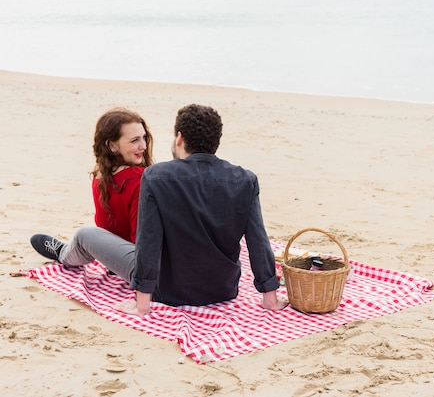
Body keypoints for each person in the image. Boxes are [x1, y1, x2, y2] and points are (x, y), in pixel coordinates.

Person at [31, 104, 288, 315]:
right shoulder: (245, 179)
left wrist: (141, 304)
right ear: (216, 141)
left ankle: (65, 253)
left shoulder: (156, 176)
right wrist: (270, 298)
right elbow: (258, 241)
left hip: (168, 291)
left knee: (87, 234)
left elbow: (148, 240)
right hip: (222, 289)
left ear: (179, 138)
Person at [30, 107, 153, 266]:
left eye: (144, 138)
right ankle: (66, 251)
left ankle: (63, 252)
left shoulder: (106, 174)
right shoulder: (128, 177)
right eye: (135, 140)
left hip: (135, 261)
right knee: (87, 236)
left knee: (85, 236)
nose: (143, 145)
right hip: (128, 257)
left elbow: (142, 239)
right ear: (113, 146)